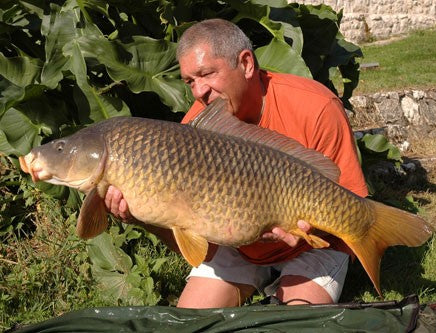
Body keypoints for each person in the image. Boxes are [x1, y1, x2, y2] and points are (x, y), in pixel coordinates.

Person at [105, 18, 368, 308]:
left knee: (295, 322)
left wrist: (300, 226)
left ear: (245, 64)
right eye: (190, 81)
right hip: (239, 248)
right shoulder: (192, 131)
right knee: (192, 321)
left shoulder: (316, 107)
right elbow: (197, 245)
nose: (198, 91)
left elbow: (351, 203)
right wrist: (143, 218)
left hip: (311, 245)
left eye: (206, 73)